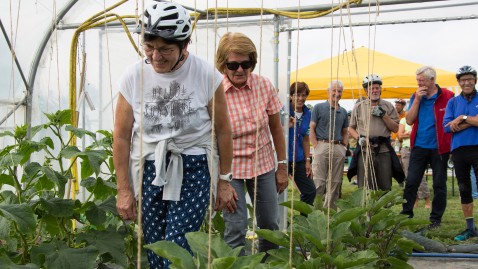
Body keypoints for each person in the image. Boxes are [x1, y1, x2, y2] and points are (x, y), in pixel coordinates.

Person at [113, 3, 236, 268]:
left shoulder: (205, 75)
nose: (156, 56)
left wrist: (224, 180)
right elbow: (122, 136)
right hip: (149, 167)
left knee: (179, 244)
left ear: (184, 45)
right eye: (149, 47)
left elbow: (224, 131)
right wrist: (124, 189)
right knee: (156, 245)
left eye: (165, 49)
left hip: (193, 166)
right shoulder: (133, 76)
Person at [215, 32, 288, 254]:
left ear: (252, 62)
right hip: (231, 169)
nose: (239, 70)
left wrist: (282, 166)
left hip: (263, 165)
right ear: (222, 64)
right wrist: (220, 181)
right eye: (233, 65)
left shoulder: (263, 85)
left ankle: (269, 264)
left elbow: (276, 128)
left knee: (270, 225)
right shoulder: (215, 91)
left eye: (245, 64)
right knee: (236, 227)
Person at [401, 66, 454, 229]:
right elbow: (409, 120)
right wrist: (416, 100)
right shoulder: (415, 96)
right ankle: (406, 215)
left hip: (440, 147)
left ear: (432, 80)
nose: (419, 83)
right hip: (419, 145)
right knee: (411, 181)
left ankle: (435, 219)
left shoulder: (448, 96)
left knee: (439, 183)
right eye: (417, 80)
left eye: (421, 80)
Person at [347, 74, 403, 191]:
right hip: (365, 151)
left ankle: (384, 207)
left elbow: (395, 128)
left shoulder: (388, 106)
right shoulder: (359, 107)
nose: (375, 90)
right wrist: (359, 138)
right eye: (371, 88)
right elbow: (351, 128)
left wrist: (384, 115)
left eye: (377, 88)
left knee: (385, 185)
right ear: (366, 90)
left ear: (380, 89)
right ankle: (367, 208)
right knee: (365, 185)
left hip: (383, 150)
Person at [443, 65, 478, 240]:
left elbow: (456, 124)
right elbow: (447, 128)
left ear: (475, 80)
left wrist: (462, 118)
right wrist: (472, 121)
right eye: (463, 80)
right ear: (458, 82)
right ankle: (470, 228)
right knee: (464, 188)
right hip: (459, 151)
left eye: (470, 79)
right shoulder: (453, 102)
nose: (466, 82)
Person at [310, 80, 348, 209]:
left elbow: (345, 131)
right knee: (319, 181)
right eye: (334, 90)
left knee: (336, 182)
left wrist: (344, 147)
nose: (337, 94)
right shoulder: (318, 107)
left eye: (340, 91)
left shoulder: (343, 111)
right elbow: (312, 128)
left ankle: (330, 212)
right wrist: (316, 146)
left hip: (338, 147)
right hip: (323, 144)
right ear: (328, 92)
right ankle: (316, 211)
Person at [288, 82, 316, 206]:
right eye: (297, 95)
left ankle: (303, 222)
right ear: (291, 96)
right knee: (276, 192)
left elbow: (306, 138)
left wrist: (307, 160)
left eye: (303, 95)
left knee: (310, 191)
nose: (300, 98)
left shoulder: (308, 114)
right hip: (282, 158)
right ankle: (276, 222)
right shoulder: (283, 110)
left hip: (298, 158)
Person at [398, 118, 431, 208]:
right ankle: (414, 199)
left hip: (418, 148)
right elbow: (400, 136)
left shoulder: (422, 118)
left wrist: (408, 134)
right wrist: (412, 133)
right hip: (406, 149)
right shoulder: (403, 120)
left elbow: (423, 134)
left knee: (420, 176)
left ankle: (427, 199)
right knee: (409, 176)